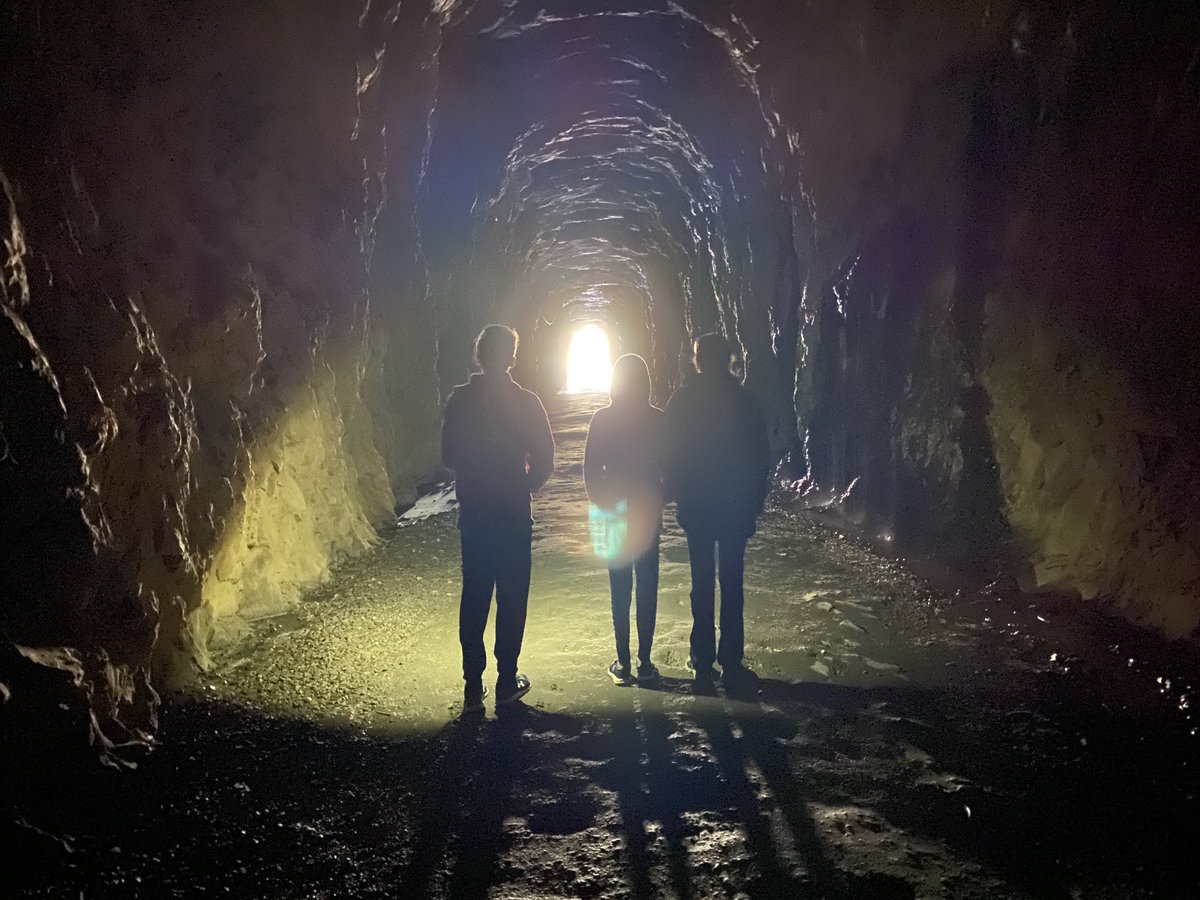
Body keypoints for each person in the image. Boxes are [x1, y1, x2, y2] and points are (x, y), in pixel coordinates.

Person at [441, 324, 555, 712]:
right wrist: (524, 483)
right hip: (511, 512)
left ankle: (473, 686)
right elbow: (545, 456)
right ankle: (507, 680)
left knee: (474, 596)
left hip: (475, 512)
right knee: (512, 596)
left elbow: (447, 455)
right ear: (511, 357)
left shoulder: (460, 401)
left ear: (478, 354)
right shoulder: (526, 401)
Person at [663, 333, 770, 689]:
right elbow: (760, 454)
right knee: (732, 580)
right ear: (728, 359)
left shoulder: (683, 400)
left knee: (701, 581)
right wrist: (757, 498)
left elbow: (670, 450)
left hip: (698, 503)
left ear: (698, 360)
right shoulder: (744, 399)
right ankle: (731, 658)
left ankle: (702, 657)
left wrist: (675, 491)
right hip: (735, 502)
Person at [584, 354, 665, 687]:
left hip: (613, 510)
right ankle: (646, 663)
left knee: (620, 587)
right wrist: (662, 495)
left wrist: (602, 500)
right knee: (647, 585)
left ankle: (623, 662)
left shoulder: (603, 419)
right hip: (646, 509)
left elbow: (590, 470)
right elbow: (672, 467)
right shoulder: (658, 419)